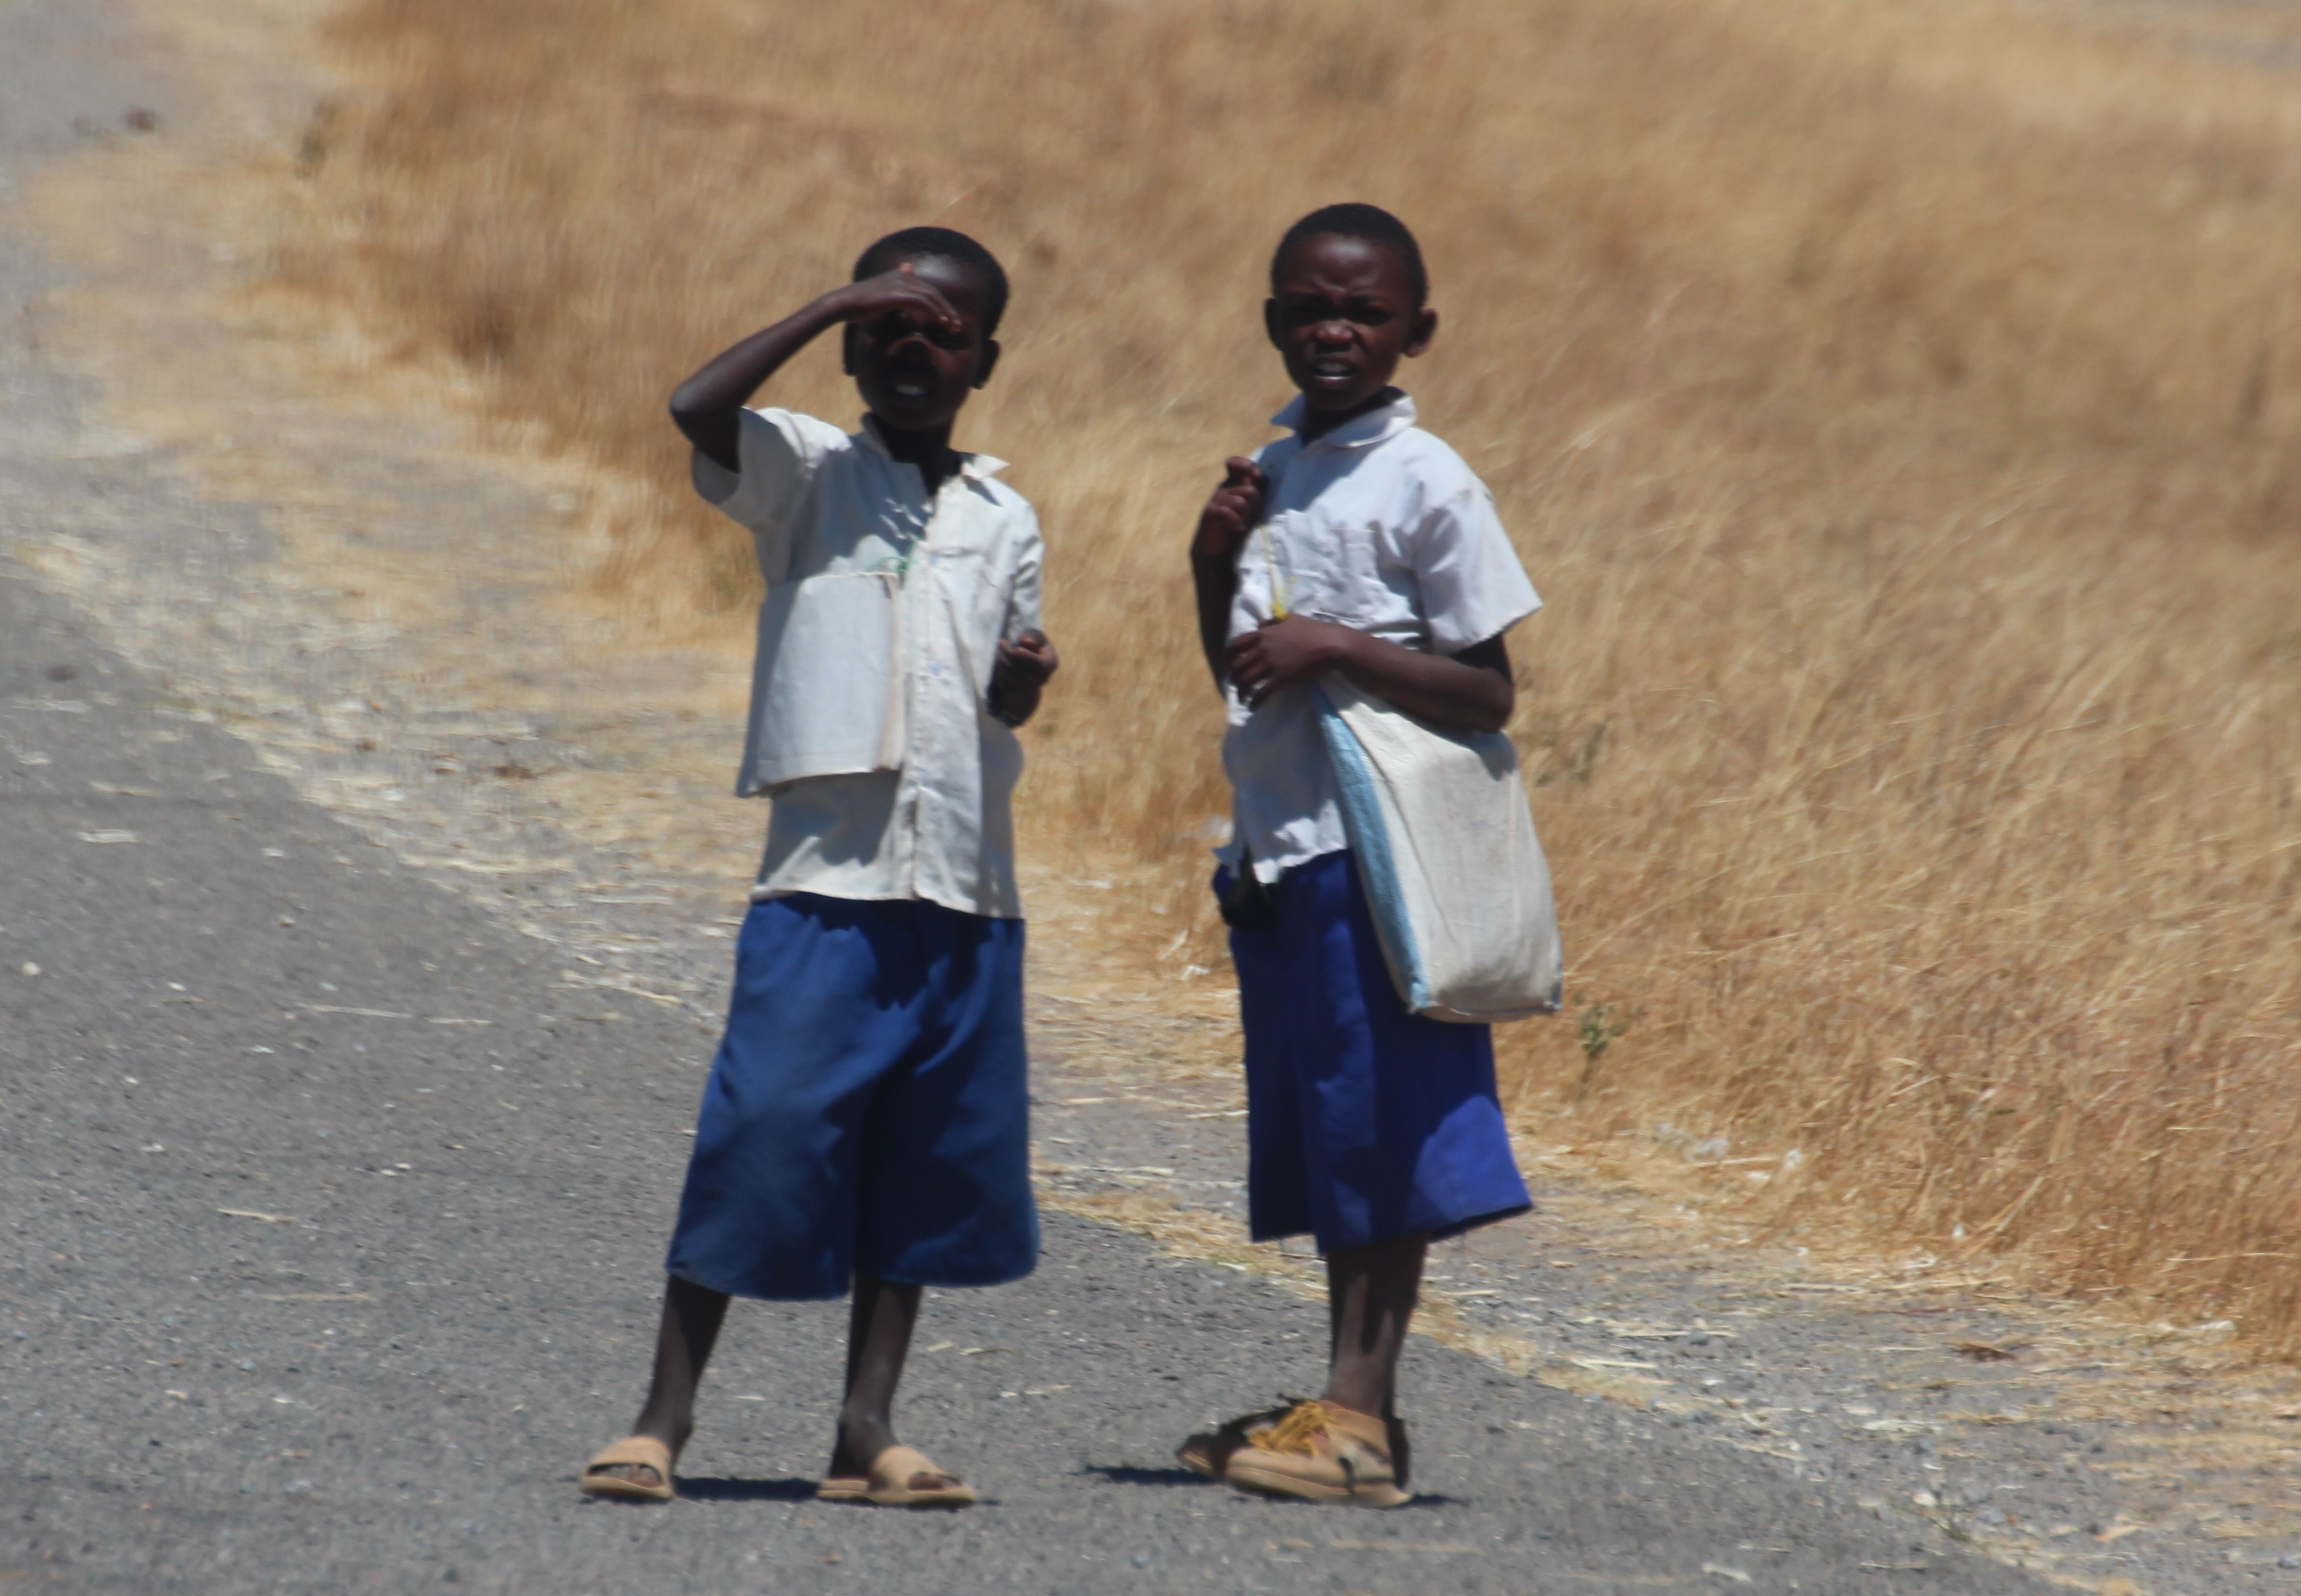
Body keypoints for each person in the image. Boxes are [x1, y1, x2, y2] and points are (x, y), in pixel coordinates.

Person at [579, 226, 1058, 1508]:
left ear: (985, 362)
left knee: (920, 1158)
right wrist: (831, 300)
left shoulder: (1006, 515)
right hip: (825, 886)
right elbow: (696, 406)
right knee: (763, 1130)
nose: (911, 348)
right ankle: (661, 1417)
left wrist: (1021, 685)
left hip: (963, 887)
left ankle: (867, 1427)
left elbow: (999, 698)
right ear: (847, 347)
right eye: (884, 327)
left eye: (942, 332)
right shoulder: (805, 472)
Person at [1179, 203, 1540, 1507]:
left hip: (1380, 854)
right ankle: (1349, 1409)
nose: (1334, 331)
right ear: (1271, 320)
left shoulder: (1427, 478)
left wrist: (1337, 643)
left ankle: (1357, 1420)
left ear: (1415, 331)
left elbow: (1489, 691)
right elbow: (1241, 672)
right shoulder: (1272, 469)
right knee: (1337, 1133)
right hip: (1284, 845)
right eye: (1309, 309)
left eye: (1364, 312)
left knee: (1385, 1132)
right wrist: (1211, 560)